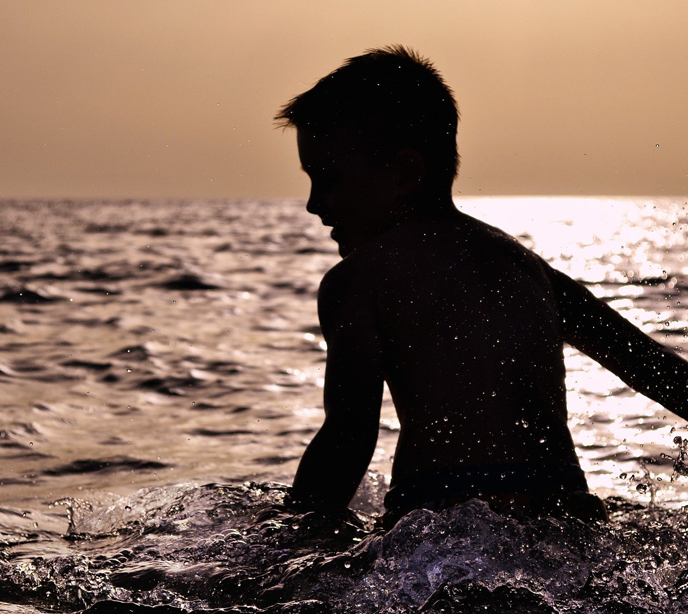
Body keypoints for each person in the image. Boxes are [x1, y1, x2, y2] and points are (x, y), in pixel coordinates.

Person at [274, 45, 688, 528]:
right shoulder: (528, 268)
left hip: (442, 520)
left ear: (405, 173)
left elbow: (348, 436)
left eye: (326, 180)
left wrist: (286, 541)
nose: (312, 204)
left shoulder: (358, 281)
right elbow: (654, 369)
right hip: (568, 520)